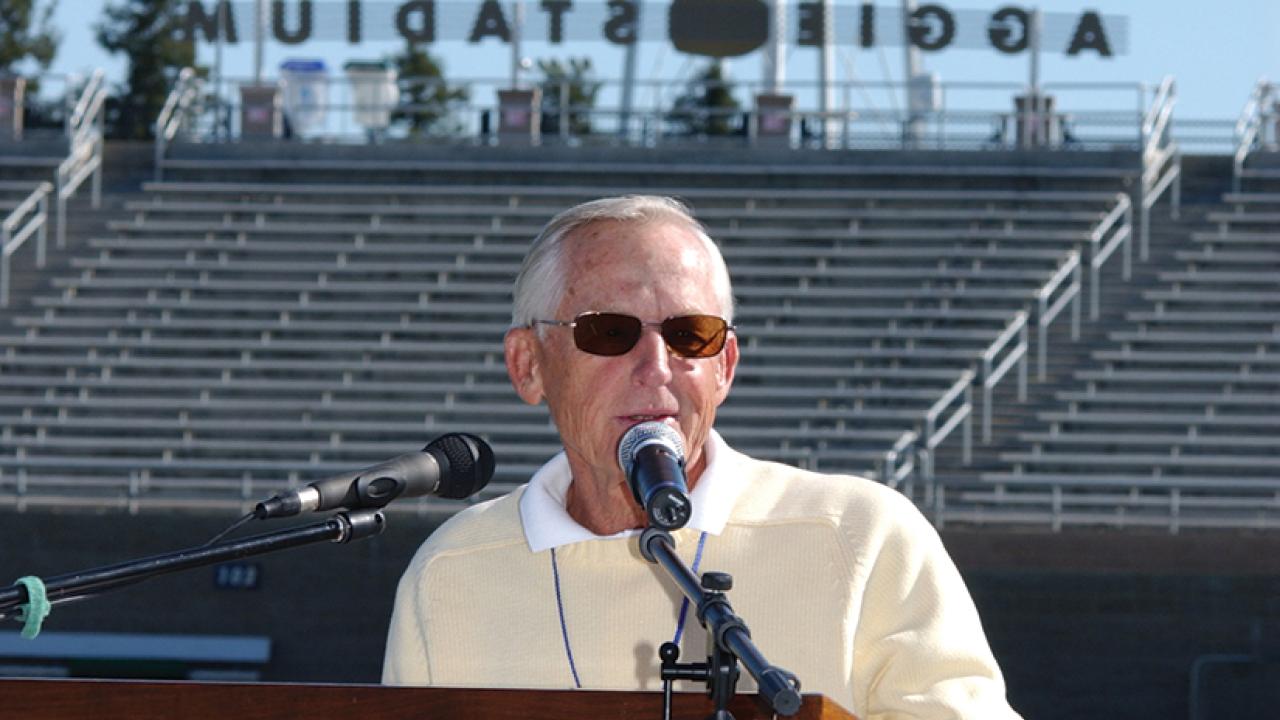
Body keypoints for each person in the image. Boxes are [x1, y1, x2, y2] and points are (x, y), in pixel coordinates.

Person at [382, 195, 1022, 719]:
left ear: (725, 367)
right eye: (609, 331)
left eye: (690, 335)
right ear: (528, 366)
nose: (654, 368)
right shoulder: (451, 570)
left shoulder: (860, 535)